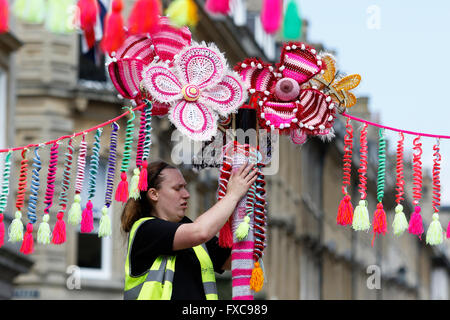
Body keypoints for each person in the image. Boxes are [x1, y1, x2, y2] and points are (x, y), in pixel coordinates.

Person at [121, 160, 258, 300]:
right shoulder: (145, 229)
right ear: (154, 194)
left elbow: (231, 260)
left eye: (185, 187)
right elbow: (201, 232)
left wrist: (246, 219)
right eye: (177, 188)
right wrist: (233, 195)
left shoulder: (187, 226)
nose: (186, 194)